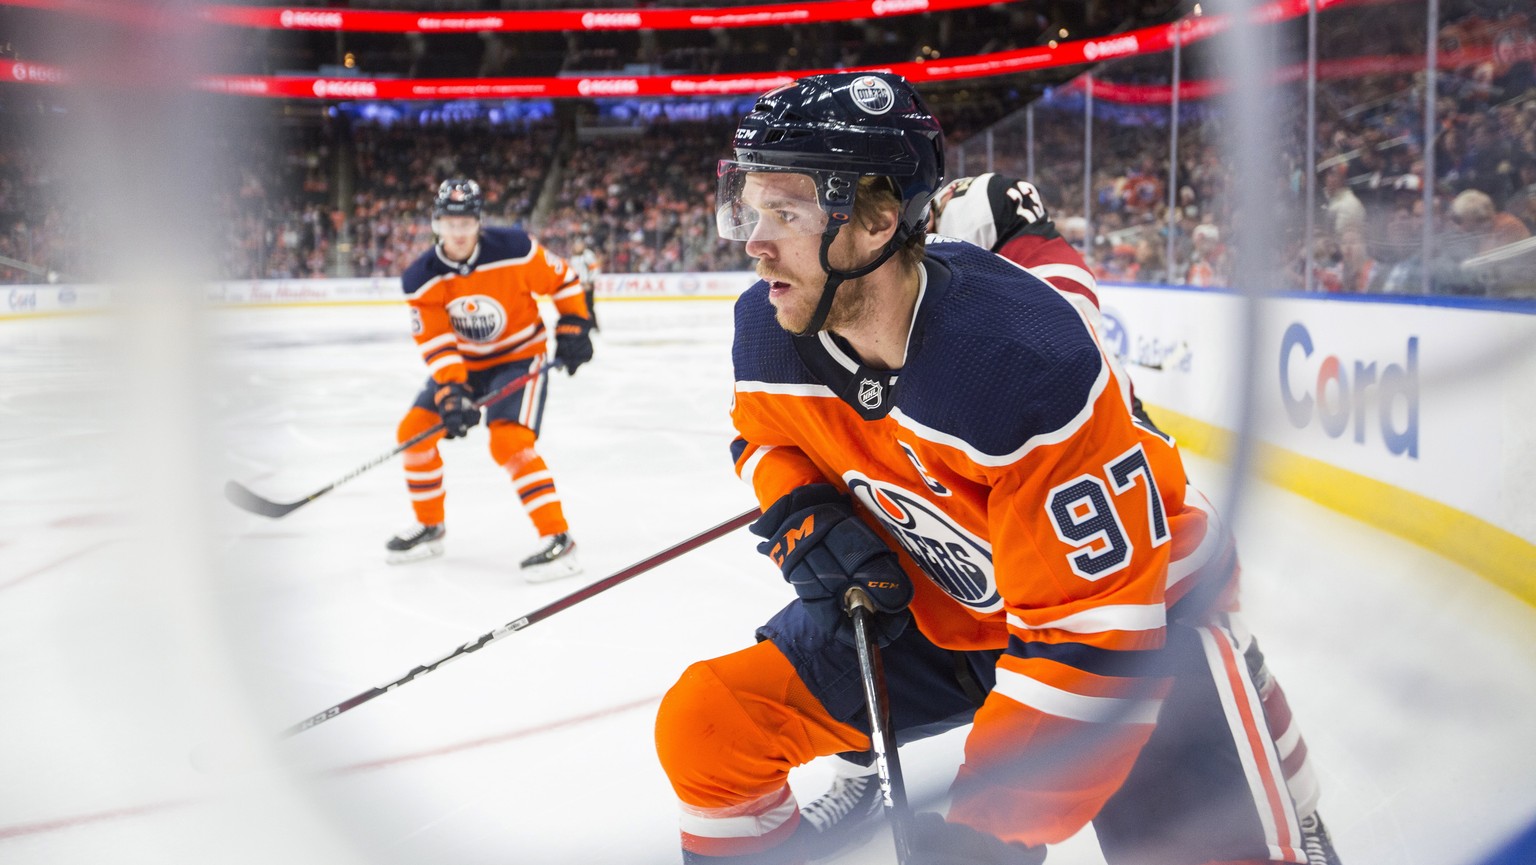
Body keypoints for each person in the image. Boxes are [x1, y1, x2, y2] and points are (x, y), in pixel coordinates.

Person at [653, 72, 1339, 865]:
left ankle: (1283, 797)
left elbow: (1093, 638)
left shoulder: (1019, 362)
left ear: (878, 216)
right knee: (708, 725)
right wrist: (802, 511)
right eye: (749, 206)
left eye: (786, 211)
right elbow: (762, 440)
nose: (752, 240)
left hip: (1136, 618)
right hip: (943, 613)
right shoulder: (768, 330)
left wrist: (987, 825)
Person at [383, 178, 593, 581]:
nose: (457, 233)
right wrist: (452, 389)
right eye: (448, 223)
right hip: (466, 364)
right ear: (435, 224)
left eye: (465, 224)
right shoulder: (420, 277)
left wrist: (573, 325)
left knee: (510, 441)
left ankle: (559, 538)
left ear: (478, 223)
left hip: (519, 357)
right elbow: (437, 340)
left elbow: (563, 280)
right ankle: (430, 526)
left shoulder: (515, 249)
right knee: (414, 432)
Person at [568, 237, 603, 331]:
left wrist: (590, 281)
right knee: (579, 306)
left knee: (589, 306)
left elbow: (595, 269)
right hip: (577, 285)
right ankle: (583, 324)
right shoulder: (573, 257)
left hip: (587, 285)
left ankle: (594, 325)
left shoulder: (588, 255)